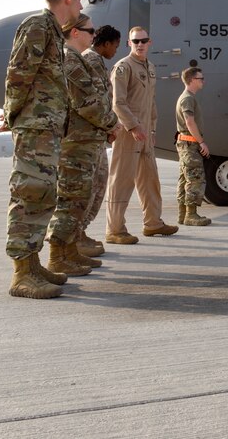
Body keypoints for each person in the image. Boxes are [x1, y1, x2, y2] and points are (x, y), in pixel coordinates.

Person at [3, 0, 82, 299]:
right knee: (29, 193)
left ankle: (32, 263)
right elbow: (18, 72)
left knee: (44, 194)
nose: (80, 6)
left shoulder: (52, 32)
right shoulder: (37, 25)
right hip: (35, 127)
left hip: (46, 128)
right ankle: (21, 274)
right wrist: (16, 115)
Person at [47, 14, 119, 276]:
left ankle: (69, 252)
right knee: (71, 200)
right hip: (76, 144)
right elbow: (87, 103)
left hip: (86, 140)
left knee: (80, 199)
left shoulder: (78, 59)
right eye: (90, 31)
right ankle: (58, 257)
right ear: (75, 32)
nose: (93, 36)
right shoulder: (71, 60)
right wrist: (112, 124)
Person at [105, 26, 178, 242]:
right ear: (129, 43)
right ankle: (115, 230)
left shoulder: (151, 67)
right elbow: (117, 103)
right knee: (122, 180)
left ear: (150, 42)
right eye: (135, 41)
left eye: (143, 41)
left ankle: (153, 223)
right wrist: (134, 126)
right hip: (129, 132)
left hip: (145, 133)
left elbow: (151, 102)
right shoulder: (123, 67)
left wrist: (152, 128)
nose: (140, 44)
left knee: (150, 179)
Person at [77, 25, 121, 256]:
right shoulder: (92, 61)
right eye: (115, 45)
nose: (115, 50)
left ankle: (79, 234)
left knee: (97, 185)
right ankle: (74, 238)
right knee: (90, 188)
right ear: (105, 43)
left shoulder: (94, 60)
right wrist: (111, 125)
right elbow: (96, 100)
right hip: (88, 137)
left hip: (95, 135)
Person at [175, 66, 212, 226]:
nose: (203, 81)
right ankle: (191, 215)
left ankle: (183, 214)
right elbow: (189, 121)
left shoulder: (187, 97)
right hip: (189, 144)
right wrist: (201, 142)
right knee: (195, 178)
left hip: (186, 143)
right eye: (200, 78)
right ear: (191, 80)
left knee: (185, 178)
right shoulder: (187, 98)